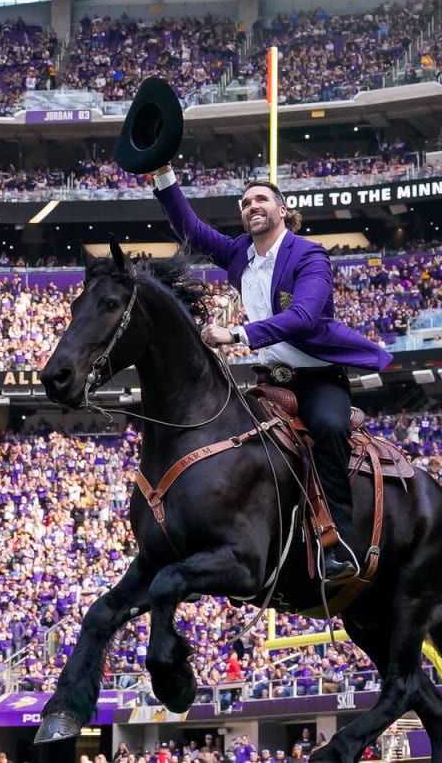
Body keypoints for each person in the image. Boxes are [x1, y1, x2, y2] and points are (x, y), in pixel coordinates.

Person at [152, 166, 393, 582]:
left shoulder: (309, 254)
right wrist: (162, 173)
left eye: (261, 200)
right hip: (271, 381)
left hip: (318, 379)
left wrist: (237, 333)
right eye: (246, 204)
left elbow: (303, 317)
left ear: (283, 210)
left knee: (329, 428)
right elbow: (188, 226)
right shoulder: (239, 253)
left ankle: (339, 545)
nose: (252, 207)